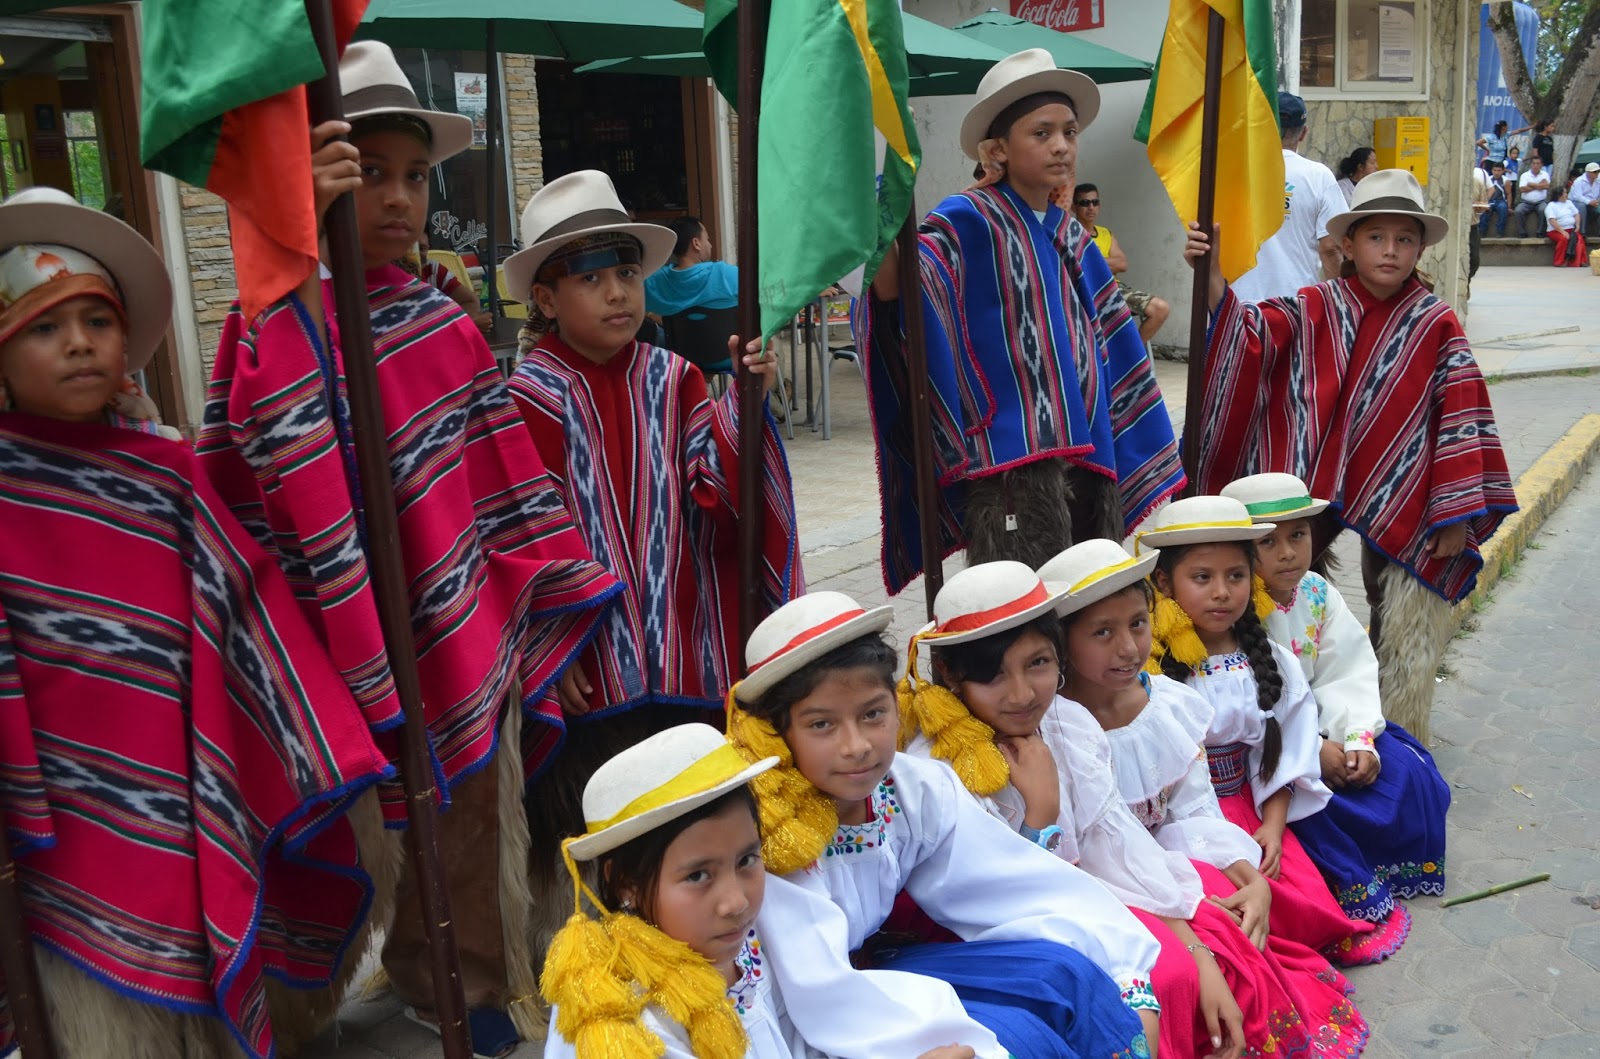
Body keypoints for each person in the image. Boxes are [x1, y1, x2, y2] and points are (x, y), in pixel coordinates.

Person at [198, 42, 624, 1057]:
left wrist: (511, 595)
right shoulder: (269, 324)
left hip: (456, 630)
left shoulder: (443, 321)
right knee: (339, 835)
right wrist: (292, 273)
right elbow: (246, 472)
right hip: (323, 638)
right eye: (369, 170)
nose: (398, 197)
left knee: (471, 816)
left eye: (415, 175)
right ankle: (303, 1004)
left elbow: (490, 482)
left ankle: (460, 979)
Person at [0, 187, 392, 1059]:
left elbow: (245, 613)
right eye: (43, 327)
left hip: (184, 783)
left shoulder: (166, 475)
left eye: (97, 321)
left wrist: (326, 739)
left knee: (193, 974)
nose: (77, 344)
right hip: (56, 812)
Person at [902, 559, 1370, 1059]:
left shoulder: (1066, 725)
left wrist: (1192, 944)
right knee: (1168, 972)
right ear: (950, 676)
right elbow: (1010, 899)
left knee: (1210, 932)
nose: (1022, 694)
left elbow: (1115, 845)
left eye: (1038, 663)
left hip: (1085, 896)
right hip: (996, 933)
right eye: (993, 676)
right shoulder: (941, 768)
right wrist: (1040, 813)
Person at [725, 590, 1163, 1059]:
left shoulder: (909, 789)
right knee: (1018, 1037)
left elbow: (1010, 884)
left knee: (1066, 976)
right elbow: (821, 989)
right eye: (821, 726)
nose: (857, 746)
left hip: (868, 978)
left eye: (873, 714)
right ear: (778, 732)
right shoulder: (775, 834)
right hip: (802, 1014)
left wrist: (1125, 970)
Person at [1183, 169, 1517, 746]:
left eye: (1404, 239)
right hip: (1310, 477)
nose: (1390, 251)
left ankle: (1394, 738)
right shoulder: (1317, 305)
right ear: (1348, 243)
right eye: (1376, 237)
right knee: (1282, 588)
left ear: (1420, 247)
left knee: (1404, 604)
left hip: (1406, 492)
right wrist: (1210, 278)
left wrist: (1456, 513)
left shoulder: (1435, 323)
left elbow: (1461, 417)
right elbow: (1251, 338)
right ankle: (1287, 722)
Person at [856, 48, 1184, 589]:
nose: (1061, 145)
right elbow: (896, 288)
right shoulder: (966, 220)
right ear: (997, 150)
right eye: (1041, 133)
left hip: (1088, 455)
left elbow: (1110, 341)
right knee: (1026, 609)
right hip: (1011, 465)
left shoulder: (1072, 233)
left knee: (1090, 602)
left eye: (1070, 131)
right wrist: (892, 185)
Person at [541, 723, 1004, 1059]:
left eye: (747, 861)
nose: (737, 902)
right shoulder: (619, 1020)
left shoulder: (755, 944)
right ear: (624, 882)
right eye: (698, 876)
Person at [1040, 540, 1377, 962]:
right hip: (1110, 886)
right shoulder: (1056, 730)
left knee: (1251, 907)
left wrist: (1246, 872)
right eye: (1103, 632)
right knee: (1217, 937)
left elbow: (1192, 808)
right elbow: (1092, 852)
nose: (1128, 649)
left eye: (1138, 624)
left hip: (1199, 834)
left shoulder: (1164, 704)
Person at [1136, 497, 1413, 964]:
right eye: (1202, 578)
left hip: (1254, 807)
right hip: (1181, 821)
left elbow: (1284, 750)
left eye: (1236, 576)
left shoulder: (1271, 661)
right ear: (1164, 582)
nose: (1222, 592)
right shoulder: (1152, 672)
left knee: (1293, 896)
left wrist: (1273, 825)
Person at [1221, 474, 1451, 907]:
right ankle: (1348, 880)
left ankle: (1390, 866)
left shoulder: (1317, 592)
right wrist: (1311, 750)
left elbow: (1347, 670)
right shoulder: (1232, 608)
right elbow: (1250, 707)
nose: (1288, 552)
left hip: (1330, 725)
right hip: (1273, 749)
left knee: (1412, 772)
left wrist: (1354, 738)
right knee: (1321, 811)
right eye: (1268, 543)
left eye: (1298, 535)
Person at [1229, 93, 1347, 303]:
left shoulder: (1233, 172)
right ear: (1303, 133)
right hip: (1295, 304)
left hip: (1239, 302)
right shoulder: (1318, 176)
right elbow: (1330, 247)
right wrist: (1340, 302)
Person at [1073, 183, 1171, 345]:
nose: (1090, 207)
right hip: (1084, 292)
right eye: (1084, 203)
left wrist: (1090, 261)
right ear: (1074, 207)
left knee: (1160, 309)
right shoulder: (1069, 232)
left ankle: (1133, 356)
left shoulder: (1105, 233)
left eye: (1094, 202)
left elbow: (1122, 264)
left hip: (1113, 289)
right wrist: (1106, 263)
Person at [644, 215, 741, 318]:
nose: (710, 245)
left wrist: (652, 315)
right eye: (707, 239)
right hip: (726, 334)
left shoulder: (652, 281)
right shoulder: (726, 274)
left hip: (675, 334)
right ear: (696, 243)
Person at [416, 231, 493, 333]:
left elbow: (471, 301)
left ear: (428, 248)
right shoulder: (390, 278)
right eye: (410, 247)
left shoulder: (433, 269)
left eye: (421, 248)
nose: (416, 254)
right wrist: (464, 323)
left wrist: (457, 323)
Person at [1544, 184, 1588, 267]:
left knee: (1579, 239)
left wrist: (1577, 225)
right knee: (1563, 238)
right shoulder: (1551, 206)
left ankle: (1581, 261)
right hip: (1555, 230)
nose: (1566, 194)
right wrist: (1562, 231)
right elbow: (1552, 221)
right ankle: (1559, 262)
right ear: (1559, 195)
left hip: (1571, 229)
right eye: (1565, 193)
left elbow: (1576, 214)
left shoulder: (1569, 203)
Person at [1515, 155, 1552, 237]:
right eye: (1534, 163)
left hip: (1541, 202)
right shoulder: (1525, 175)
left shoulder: (1545, 174)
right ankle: (1522, 232)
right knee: (1518, 211)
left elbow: (1547, 186)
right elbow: (1522, 189)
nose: (1535, 165)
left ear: (1541, 165)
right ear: (1531, 165)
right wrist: (1539, 186)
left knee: (1544, 210)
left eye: (1537, 163)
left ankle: (1540, 232)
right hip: (1526, 202)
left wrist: (1531, 184)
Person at [1478, 161, 1509, 236]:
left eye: (1499, 170)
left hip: (1501, 201)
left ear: (1502, 171)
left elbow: (1509, 194)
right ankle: (1481, 231)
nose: (1496, 172)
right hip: (1490, 200)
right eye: (1494, 170)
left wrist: (1509, 206)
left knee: (1503, 208)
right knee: (1484, 210)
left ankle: (1500, 231)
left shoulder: (1506, 180)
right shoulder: (1488, 179)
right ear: (1492, 170)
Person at [1571, 162, 1600, 237]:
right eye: (1595, 172)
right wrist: (1589, 202)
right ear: (1588, 173)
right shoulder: (1579, 181)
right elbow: (1577, 196)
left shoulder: (1598, 180)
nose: (1597, 173)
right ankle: (1582, 231)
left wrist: (1597, 201)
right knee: (1582, 206)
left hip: (1593, 202)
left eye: (1598, 171)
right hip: (1576, 202)